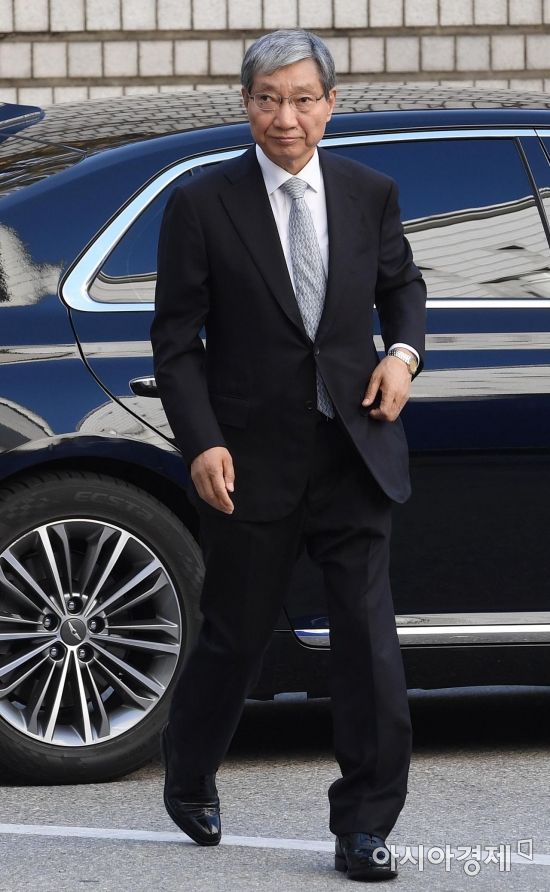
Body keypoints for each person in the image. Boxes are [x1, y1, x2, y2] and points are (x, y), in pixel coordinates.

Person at [151, 29, 426, 883]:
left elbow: (403, 287)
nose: (286, 118)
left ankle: (366, 825)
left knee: (368, 647)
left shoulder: (369, 192)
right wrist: (202, 441)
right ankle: (189, 770)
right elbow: (176, 343)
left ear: (330, 105)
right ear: (246, 104)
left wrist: (402, 355)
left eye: (304, 99)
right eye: (269, 100)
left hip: (354, 449)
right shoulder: (203, 204)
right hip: (249, 459)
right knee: (235, 638)